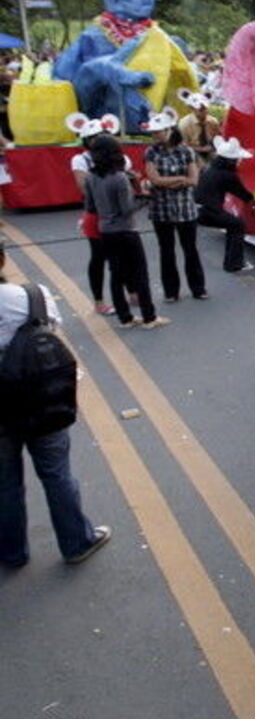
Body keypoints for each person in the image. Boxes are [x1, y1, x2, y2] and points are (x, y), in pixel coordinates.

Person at [0, 242, 112, 568]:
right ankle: (77, 541)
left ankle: (11, 552)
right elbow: (52, 332)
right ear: (3, 259)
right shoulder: (33, 296)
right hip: (40, 402)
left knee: (5, 481)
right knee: (56, 472)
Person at [85, 136, 168, 329]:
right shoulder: (119, 177)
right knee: (139, 273)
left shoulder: (91, 177)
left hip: (105, 230)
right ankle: (149, 317)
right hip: (126, 230)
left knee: (116, 274)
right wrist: (145, 198)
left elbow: (90, 205)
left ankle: (125, 318)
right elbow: (126, 209)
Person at [143, 108, 207, 302]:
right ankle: (171, 292)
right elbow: (154, 180)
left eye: (157, 132)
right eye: (153, 133)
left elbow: (194, 180)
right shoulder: (150, 152)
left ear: (169, 130)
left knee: (190, 250)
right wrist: (180, 179)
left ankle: (198, 288)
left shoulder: (186, 151)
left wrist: (168, 181)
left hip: (185, 209)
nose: (154, 136)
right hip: (160, 210)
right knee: (166, 251)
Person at [194, 136, 255, 273]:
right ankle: (234, 264)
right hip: (207, 211)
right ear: (231, 161)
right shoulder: (228, 175)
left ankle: (232, 262)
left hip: (195, 209)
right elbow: (244, 194)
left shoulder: (209, 167)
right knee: (238, 224)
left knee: (232, 224)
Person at [177, 88, 222, 165]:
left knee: (219, 161)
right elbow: (182, 146)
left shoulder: (213, 121)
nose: (204, 112)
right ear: (192, 108)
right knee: (202, 165)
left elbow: (217, 138)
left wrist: (213, 147)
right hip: (192, 151)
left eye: (205, 109)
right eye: (200, 109)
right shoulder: (184, 124)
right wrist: (201, 149)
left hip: (210, 150)